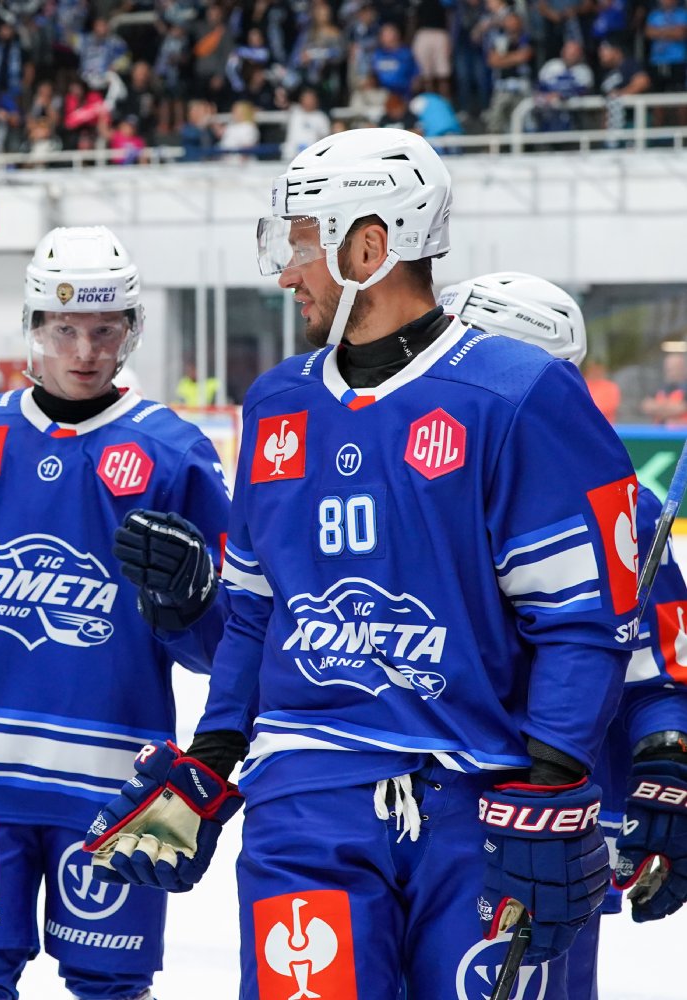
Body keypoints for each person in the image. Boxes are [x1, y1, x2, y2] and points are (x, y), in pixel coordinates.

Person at [86, 129, 635, 998]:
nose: (287, 272)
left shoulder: (518, 393)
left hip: (477, 804)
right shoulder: (278, 403)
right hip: (305, 797)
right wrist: (212, 757)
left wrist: (555, 780)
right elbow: (256, 612)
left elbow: (580, 618)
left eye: (304, 244)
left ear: (369, 249)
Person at [0, 226, 231, 1000]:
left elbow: (222, 648)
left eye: (105, 331)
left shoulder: (175, 452)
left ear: (131, 331)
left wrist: (192, 599)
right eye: (64, 329)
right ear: (33, 326)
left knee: (111, 985)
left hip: (113, 788)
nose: (85, 351)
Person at [438, 272, 687, 999]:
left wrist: (667, 776)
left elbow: (658, 675)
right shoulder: (411, 488)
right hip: (411, 813)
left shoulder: (625, 512)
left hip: (542, 830)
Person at [642, 349, 687, 425]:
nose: (670, 371)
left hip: (682, 430)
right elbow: (646, 406)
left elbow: (681, 408)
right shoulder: (660, 387)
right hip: (659, 430)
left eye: (674, 368)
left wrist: (658, 409)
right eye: (668, 368)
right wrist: (669, 409)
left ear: (683, 368)